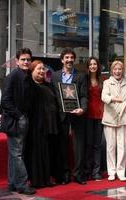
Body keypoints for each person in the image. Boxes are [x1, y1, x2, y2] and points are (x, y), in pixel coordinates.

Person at [1, 48, 35, 195]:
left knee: (14, 153)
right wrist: (19, 116)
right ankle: (21, 184)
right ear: (17, 61)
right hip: (15, 121)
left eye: (28, 59)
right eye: (23, 59)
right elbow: (5, 101)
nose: (26, 62)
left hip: (23, 119)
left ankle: (12, 183)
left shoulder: (27, 76)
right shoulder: (12, 76)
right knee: (17, 154)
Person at [52, 48, 88, 185]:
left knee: (78, 145)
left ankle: (78, 174)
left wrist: (82, 109)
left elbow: (84, 95)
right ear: (62, 60)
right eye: (66, 57)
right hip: (61, 115)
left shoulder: (81, 76)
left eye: (72, 57)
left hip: (77, 114)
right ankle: (65, 174)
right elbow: (53, 96)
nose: (69, 60)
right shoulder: (54, 76)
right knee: (62, 145)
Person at [25, 60, 60, 188]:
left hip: (51, 126)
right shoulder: (30, 86)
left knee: (49, 153)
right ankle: (37, 180)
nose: (41, 71)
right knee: (37, 154)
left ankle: (47, 178)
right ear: (32, 71)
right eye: (38, 69)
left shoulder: (49, 85)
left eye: (43, 69)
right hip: (36, 127)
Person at [101, 60, 126, 182]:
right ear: (112, 71)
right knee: (110, 146)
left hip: (124, 118)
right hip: (110, 117)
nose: (118, 71)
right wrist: (112, 99)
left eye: (120, 69)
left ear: (122, 70)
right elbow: (103, 97)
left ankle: (121, 172)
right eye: (115, 69)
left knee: (122, 146)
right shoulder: (107, 83)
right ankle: (111, 172)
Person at [84, 57, 104, 181]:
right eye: (90, 64)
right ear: (88, 66)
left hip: (100, 115)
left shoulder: (103, 80)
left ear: (98, 66)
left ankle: (96, 172)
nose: (93, 66)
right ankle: (87, 171)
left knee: (97, 145)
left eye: (95, 64)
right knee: (88, 144)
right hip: (87, 116)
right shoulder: (84, 80)